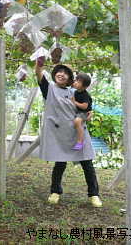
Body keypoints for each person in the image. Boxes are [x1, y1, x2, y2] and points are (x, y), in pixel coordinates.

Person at [35, 60, 102, 208]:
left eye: (66, 73)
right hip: (61, 135)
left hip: (78, 133)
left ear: (71, 79)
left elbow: (87, 105)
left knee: (87, 164)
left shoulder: (75, 91)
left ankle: (94, 194)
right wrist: (39, 63)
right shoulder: (50, 89)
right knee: (60, 163)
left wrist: (89, 112)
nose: (62, 74)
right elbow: (39, 74)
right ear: (54, 74)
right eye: (59, 71)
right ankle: (55, 191)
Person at [71, 73, 93, 151]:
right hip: (79, 111)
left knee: (77, 121)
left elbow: (85, 106)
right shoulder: (76, 92)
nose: (76, 82)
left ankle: (80, 142)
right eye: (76, 80)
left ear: (85, 86)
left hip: (84, 112)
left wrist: (74, 102)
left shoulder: (85, 95)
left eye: (79, 82)